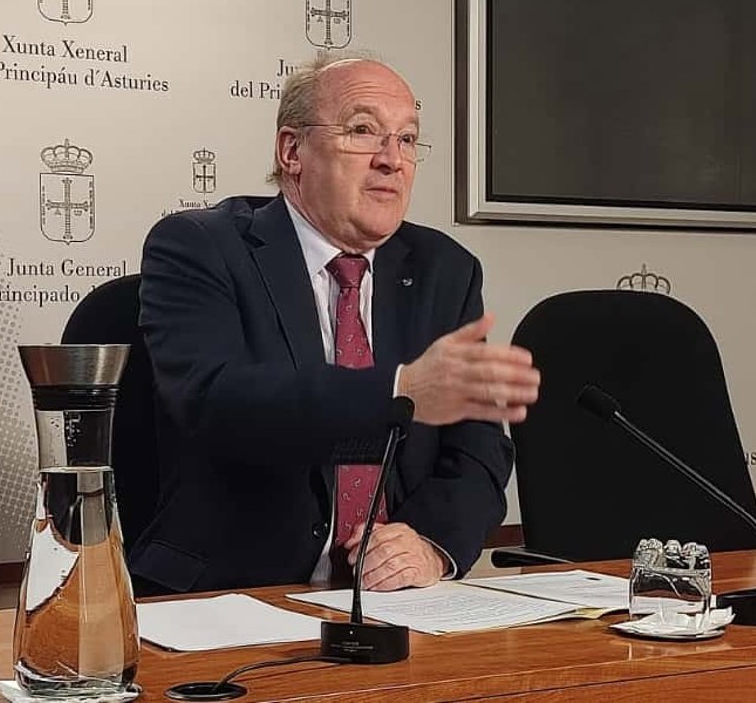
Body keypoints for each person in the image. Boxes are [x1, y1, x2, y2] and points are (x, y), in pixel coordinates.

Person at [130, 51, 539, 595]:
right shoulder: (202, 247)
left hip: (394, 603)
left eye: (407, 139)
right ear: (292, 150)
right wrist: (399, 392)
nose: (392, 160)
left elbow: (479, 449)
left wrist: (429, 544)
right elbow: (218, 402)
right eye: (363, 131)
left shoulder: (444, 269)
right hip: (233, 595)